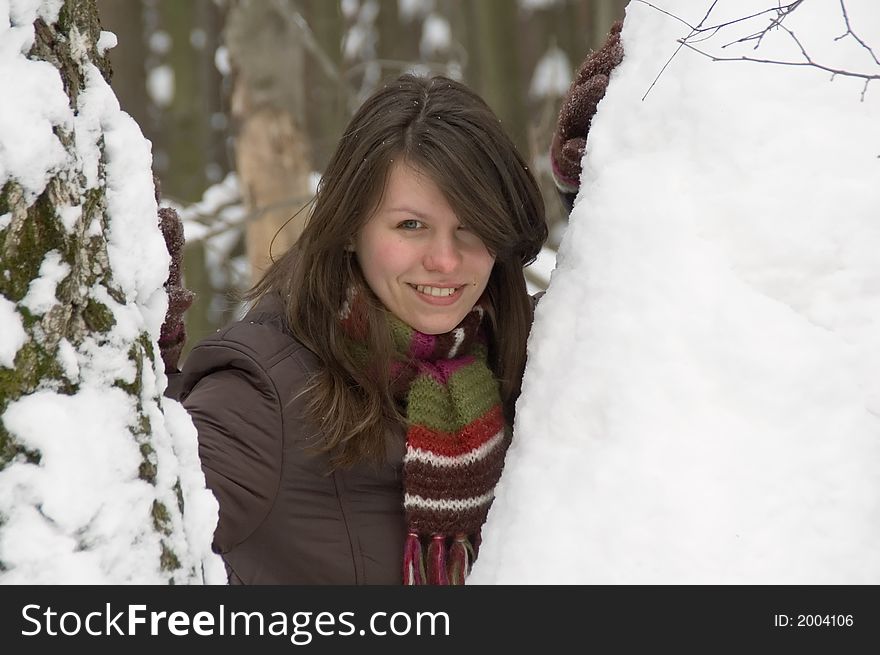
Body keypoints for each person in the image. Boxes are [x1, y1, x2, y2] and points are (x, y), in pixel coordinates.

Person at [158, 24, 624, 585]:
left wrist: (610, 184)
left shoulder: (524, 354)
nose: (446, 261)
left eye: (472, 228)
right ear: (352, 227)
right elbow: (135, 529)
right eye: (411, 226)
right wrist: (139, 357)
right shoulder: (264, 396)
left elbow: (657, 322)